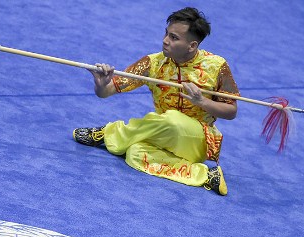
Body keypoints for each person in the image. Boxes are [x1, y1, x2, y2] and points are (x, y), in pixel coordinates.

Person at [73, 7, 239, 196]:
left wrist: (202, 101)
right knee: (134, 153)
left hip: (199, 140)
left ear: (192, 46)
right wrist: (101, 85)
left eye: (174, 38)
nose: (165, 41)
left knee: (172, 120)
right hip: (163, 136)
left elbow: (231, 111)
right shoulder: (152, 63)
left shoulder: (217, 66)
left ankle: (109, 134)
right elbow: (106, 92)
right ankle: (204, 175)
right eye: (166, 33)